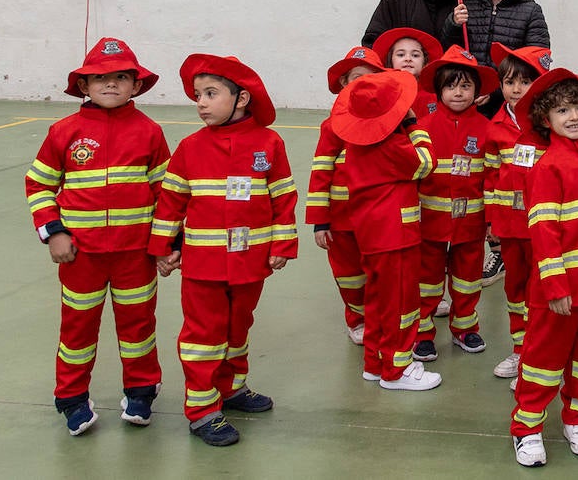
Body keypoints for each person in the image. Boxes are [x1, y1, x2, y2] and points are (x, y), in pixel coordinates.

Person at [149, 54, 298, 447]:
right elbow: (171, 202)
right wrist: (163, 248)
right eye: (198, 94)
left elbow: (283, 197)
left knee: (238, 327)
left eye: (211, 94)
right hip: (203, 266)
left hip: (250, 264)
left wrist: (283, 243)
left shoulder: (270, 143)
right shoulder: (190, 147)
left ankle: (231, 388)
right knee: (203, 336)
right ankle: (202, 411)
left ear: (242, 98)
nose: (200, 102)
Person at [23, 37, 169, 436]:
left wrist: (166, 245)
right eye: (99, 78)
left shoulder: (150, 132)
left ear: (136, 86)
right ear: (83, 86)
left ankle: (141, 392)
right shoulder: (63, 131)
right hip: (80, 257)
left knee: (139, 325)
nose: (110, 84)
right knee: (77, 328)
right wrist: (54, 233)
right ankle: (72, 399)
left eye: (121, 77)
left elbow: (167, 196)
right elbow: (38, 187)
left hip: (135, 255)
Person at [508, 68, 578, 467]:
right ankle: (527, 429)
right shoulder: (548, 167)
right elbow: (544, 232)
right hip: (561, 292)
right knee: (542, 362)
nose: (574, 116)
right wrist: (556, 286)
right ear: (545, 120)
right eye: (562, 111)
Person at [331, 70, 443, 392]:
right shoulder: (393, 145)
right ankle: (397, 368)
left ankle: (374, 361)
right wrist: (412, 124)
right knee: (401, 303)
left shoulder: (357, 146)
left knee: (379, 301)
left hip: (373, 236)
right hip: (396, 236)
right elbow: (427, 161)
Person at [413, 46, 499, 359]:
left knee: (467, 279)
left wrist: (492, 221)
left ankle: (466, 328)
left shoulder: (487, 129)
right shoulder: (422, 128)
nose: (458, 92)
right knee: (427, 281)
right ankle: (421, 332)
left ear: (477, 91)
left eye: (465, 86)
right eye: (451, 85)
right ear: (438, 90)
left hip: (471, 225)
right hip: (429, 224)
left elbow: (492, 177)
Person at [306, 46, 387, 346]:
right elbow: (320, 172)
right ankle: (358, 318)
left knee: (378, 272)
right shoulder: (332, 126)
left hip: (376, 218)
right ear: (343, 84)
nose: (361, 84)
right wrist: (320, 222)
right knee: (349, 276)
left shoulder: (386, 126)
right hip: (340, 222)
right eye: (355, 78)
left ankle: (379, 317)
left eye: (370, 78)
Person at [483, 42, 554, 383]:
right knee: (515, 290)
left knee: (542, 294)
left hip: (544, 230)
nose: (515, 89)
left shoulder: (551, 128)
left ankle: (540, 357)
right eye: (509, 81)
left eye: (525, 81)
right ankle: (520, 349)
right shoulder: (495, 128)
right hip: (510, 228)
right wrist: (492, 224)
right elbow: (491, 178)